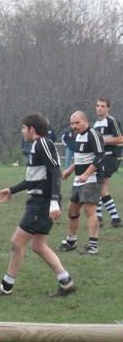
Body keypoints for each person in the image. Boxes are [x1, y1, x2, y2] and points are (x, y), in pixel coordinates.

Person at [0, 114, 76, 297]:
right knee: (38, 245)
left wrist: (53, 202)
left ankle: (6, 286)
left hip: (41, 204)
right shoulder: (36, 146)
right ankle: (66, 282)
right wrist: (12, 190)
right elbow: (33, 179)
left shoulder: (43, 143)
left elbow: (55, 172)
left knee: (16, 242)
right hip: (38, 202)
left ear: (31, 129)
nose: (22, 131)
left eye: (23, 128)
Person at [59, 111, 105, 255]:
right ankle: (71, 241)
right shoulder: (78, 136)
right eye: (72, 123)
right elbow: (80, 159)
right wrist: (70, 170)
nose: (74, 126)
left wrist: (86, 173)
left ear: (86, 121)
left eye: (77, 122)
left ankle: (93, 246)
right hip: (79, 179)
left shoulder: (94, 134)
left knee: (89, 211)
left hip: (92, 178)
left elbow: (100, 156)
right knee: (72, 209)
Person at [92, 98, 123, 227]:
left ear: (108, 108)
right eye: (98, 105)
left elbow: (121, 138)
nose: (100, 108)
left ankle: (115, 218)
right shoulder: (95, 124)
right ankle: (99, 216)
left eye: (103, 106)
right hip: (100, 159)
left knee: (102, 188)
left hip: (109, 158)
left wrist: (104, 141)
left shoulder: (112, 121)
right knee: (98, 187)